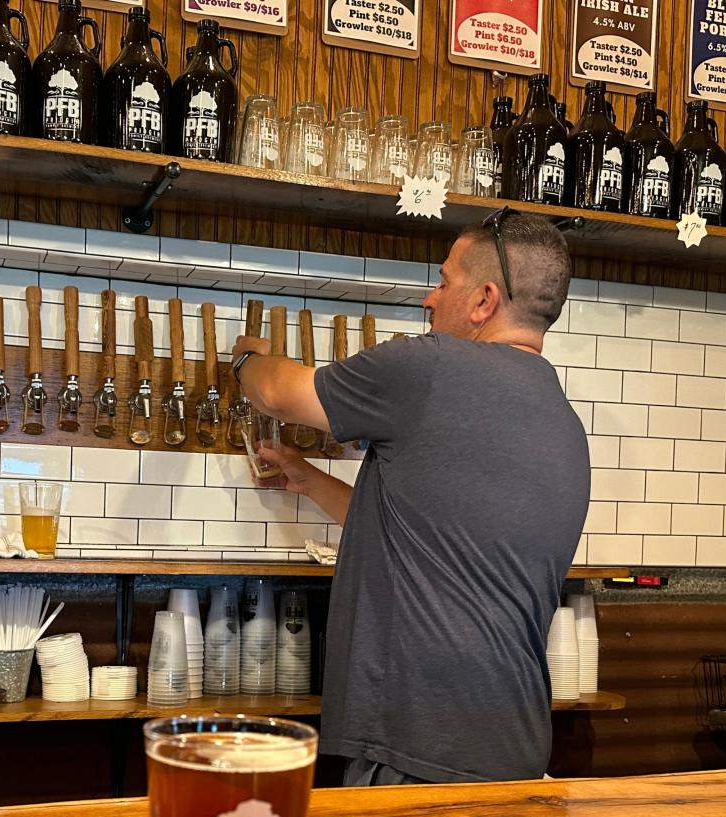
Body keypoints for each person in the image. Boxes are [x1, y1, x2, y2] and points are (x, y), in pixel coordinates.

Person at [230, 210, 590, 785]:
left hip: (415, 748)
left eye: (444, 281)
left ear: (484, 301)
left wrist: (247, 357)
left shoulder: (429, 368)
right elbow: (424, 536)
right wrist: (311, 481)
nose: (429, 298)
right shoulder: (563, 422)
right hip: (513, 747)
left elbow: (276, 392)